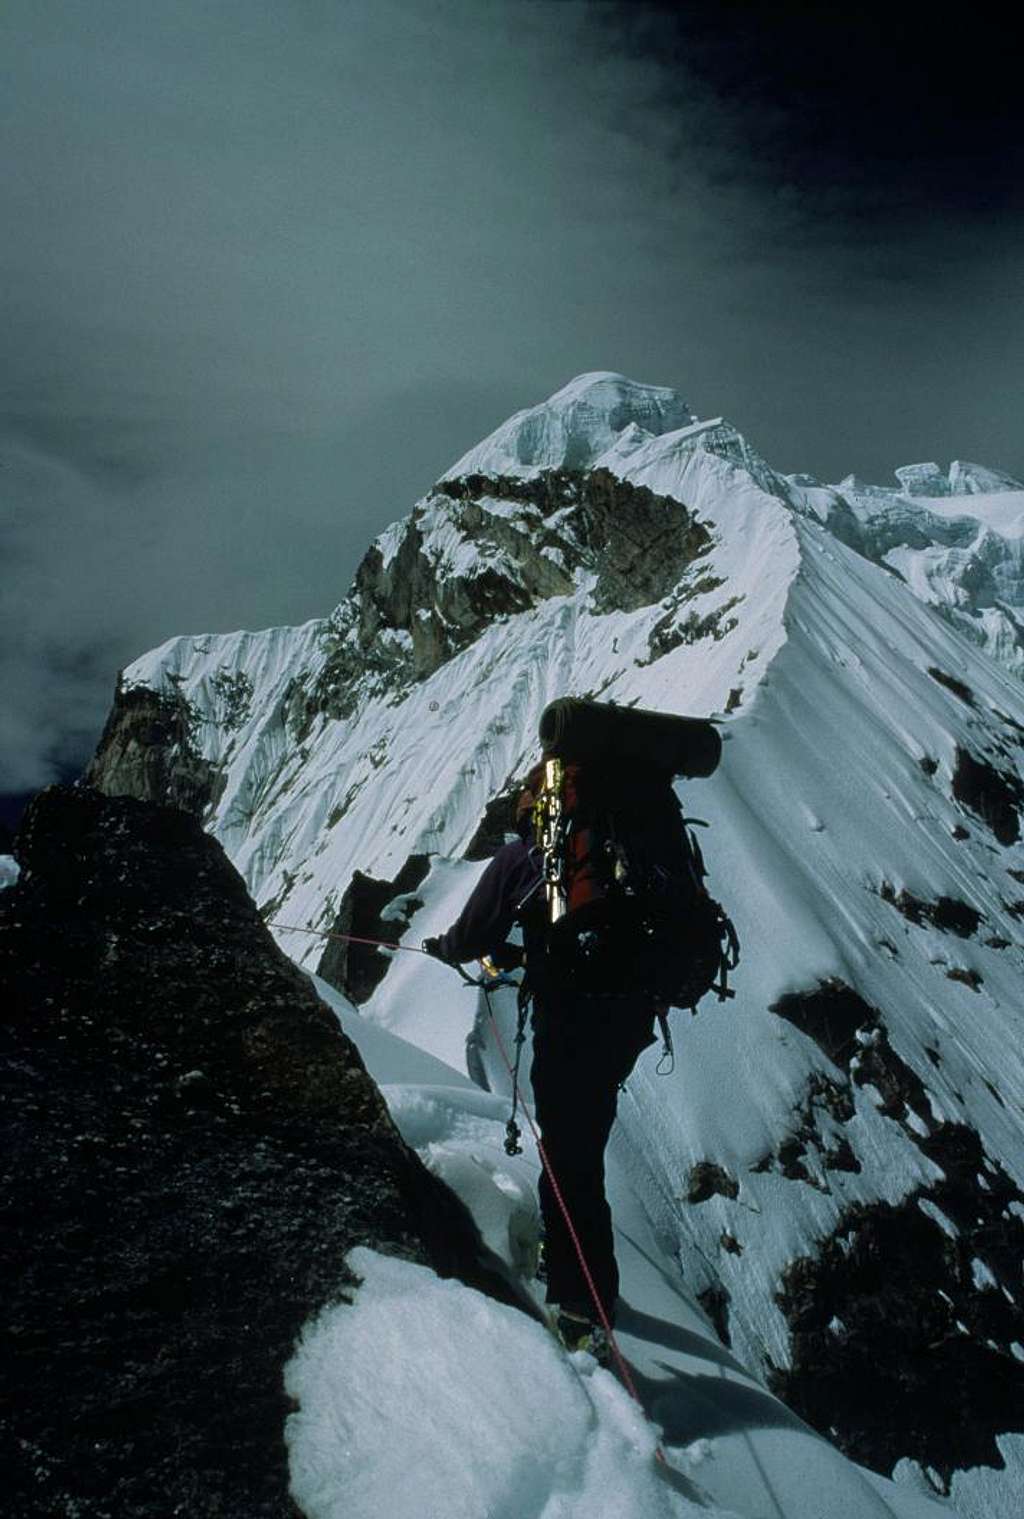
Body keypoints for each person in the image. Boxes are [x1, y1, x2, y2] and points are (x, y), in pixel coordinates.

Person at [423, 773, 658, 1354]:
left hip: (572, 1026)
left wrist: (447, 948)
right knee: (582, 1148)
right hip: (627, 1021)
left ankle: (583, 1307)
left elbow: (472, 933)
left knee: (567, 1160)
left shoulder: (525, 856)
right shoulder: (621, 849)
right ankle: (584, 1276)